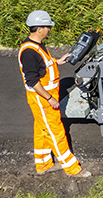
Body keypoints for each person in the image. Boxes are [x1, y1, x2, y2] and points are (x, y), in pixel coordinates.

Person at [18, 10, 90, 177]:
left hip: (44, 97)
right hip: (42, 98)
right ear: (39, 29)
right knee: (54, 131)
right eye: (48, 27)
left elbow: (41, 66)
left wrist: (57, 61)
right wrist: (49, 98)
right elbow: (33, 80)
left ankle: (43, 164)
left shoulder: (36, 46)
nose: (50, 30)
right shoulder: (29, 52)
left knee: (42, 129)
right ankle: (72, 169)